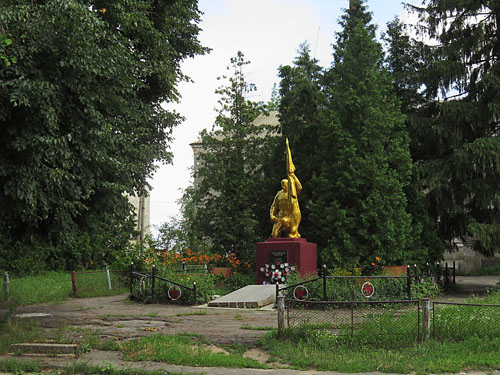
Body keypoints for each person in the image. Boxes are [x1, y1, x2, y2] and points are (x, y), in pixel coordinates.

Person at [270, 172, 302, 238]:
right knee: (274, 235)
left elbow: (299, 187)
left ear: (288, 185)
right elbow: (274, 205)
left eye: (285, 185)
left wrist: (293, 175)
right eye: (282, 185)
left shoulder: (293, 193)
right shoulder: (279, 194)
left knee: (289, 234)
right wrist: (272, 215)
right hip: (280, 216)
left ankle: (290, 232)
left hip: (290, 215)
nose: (283, 186)